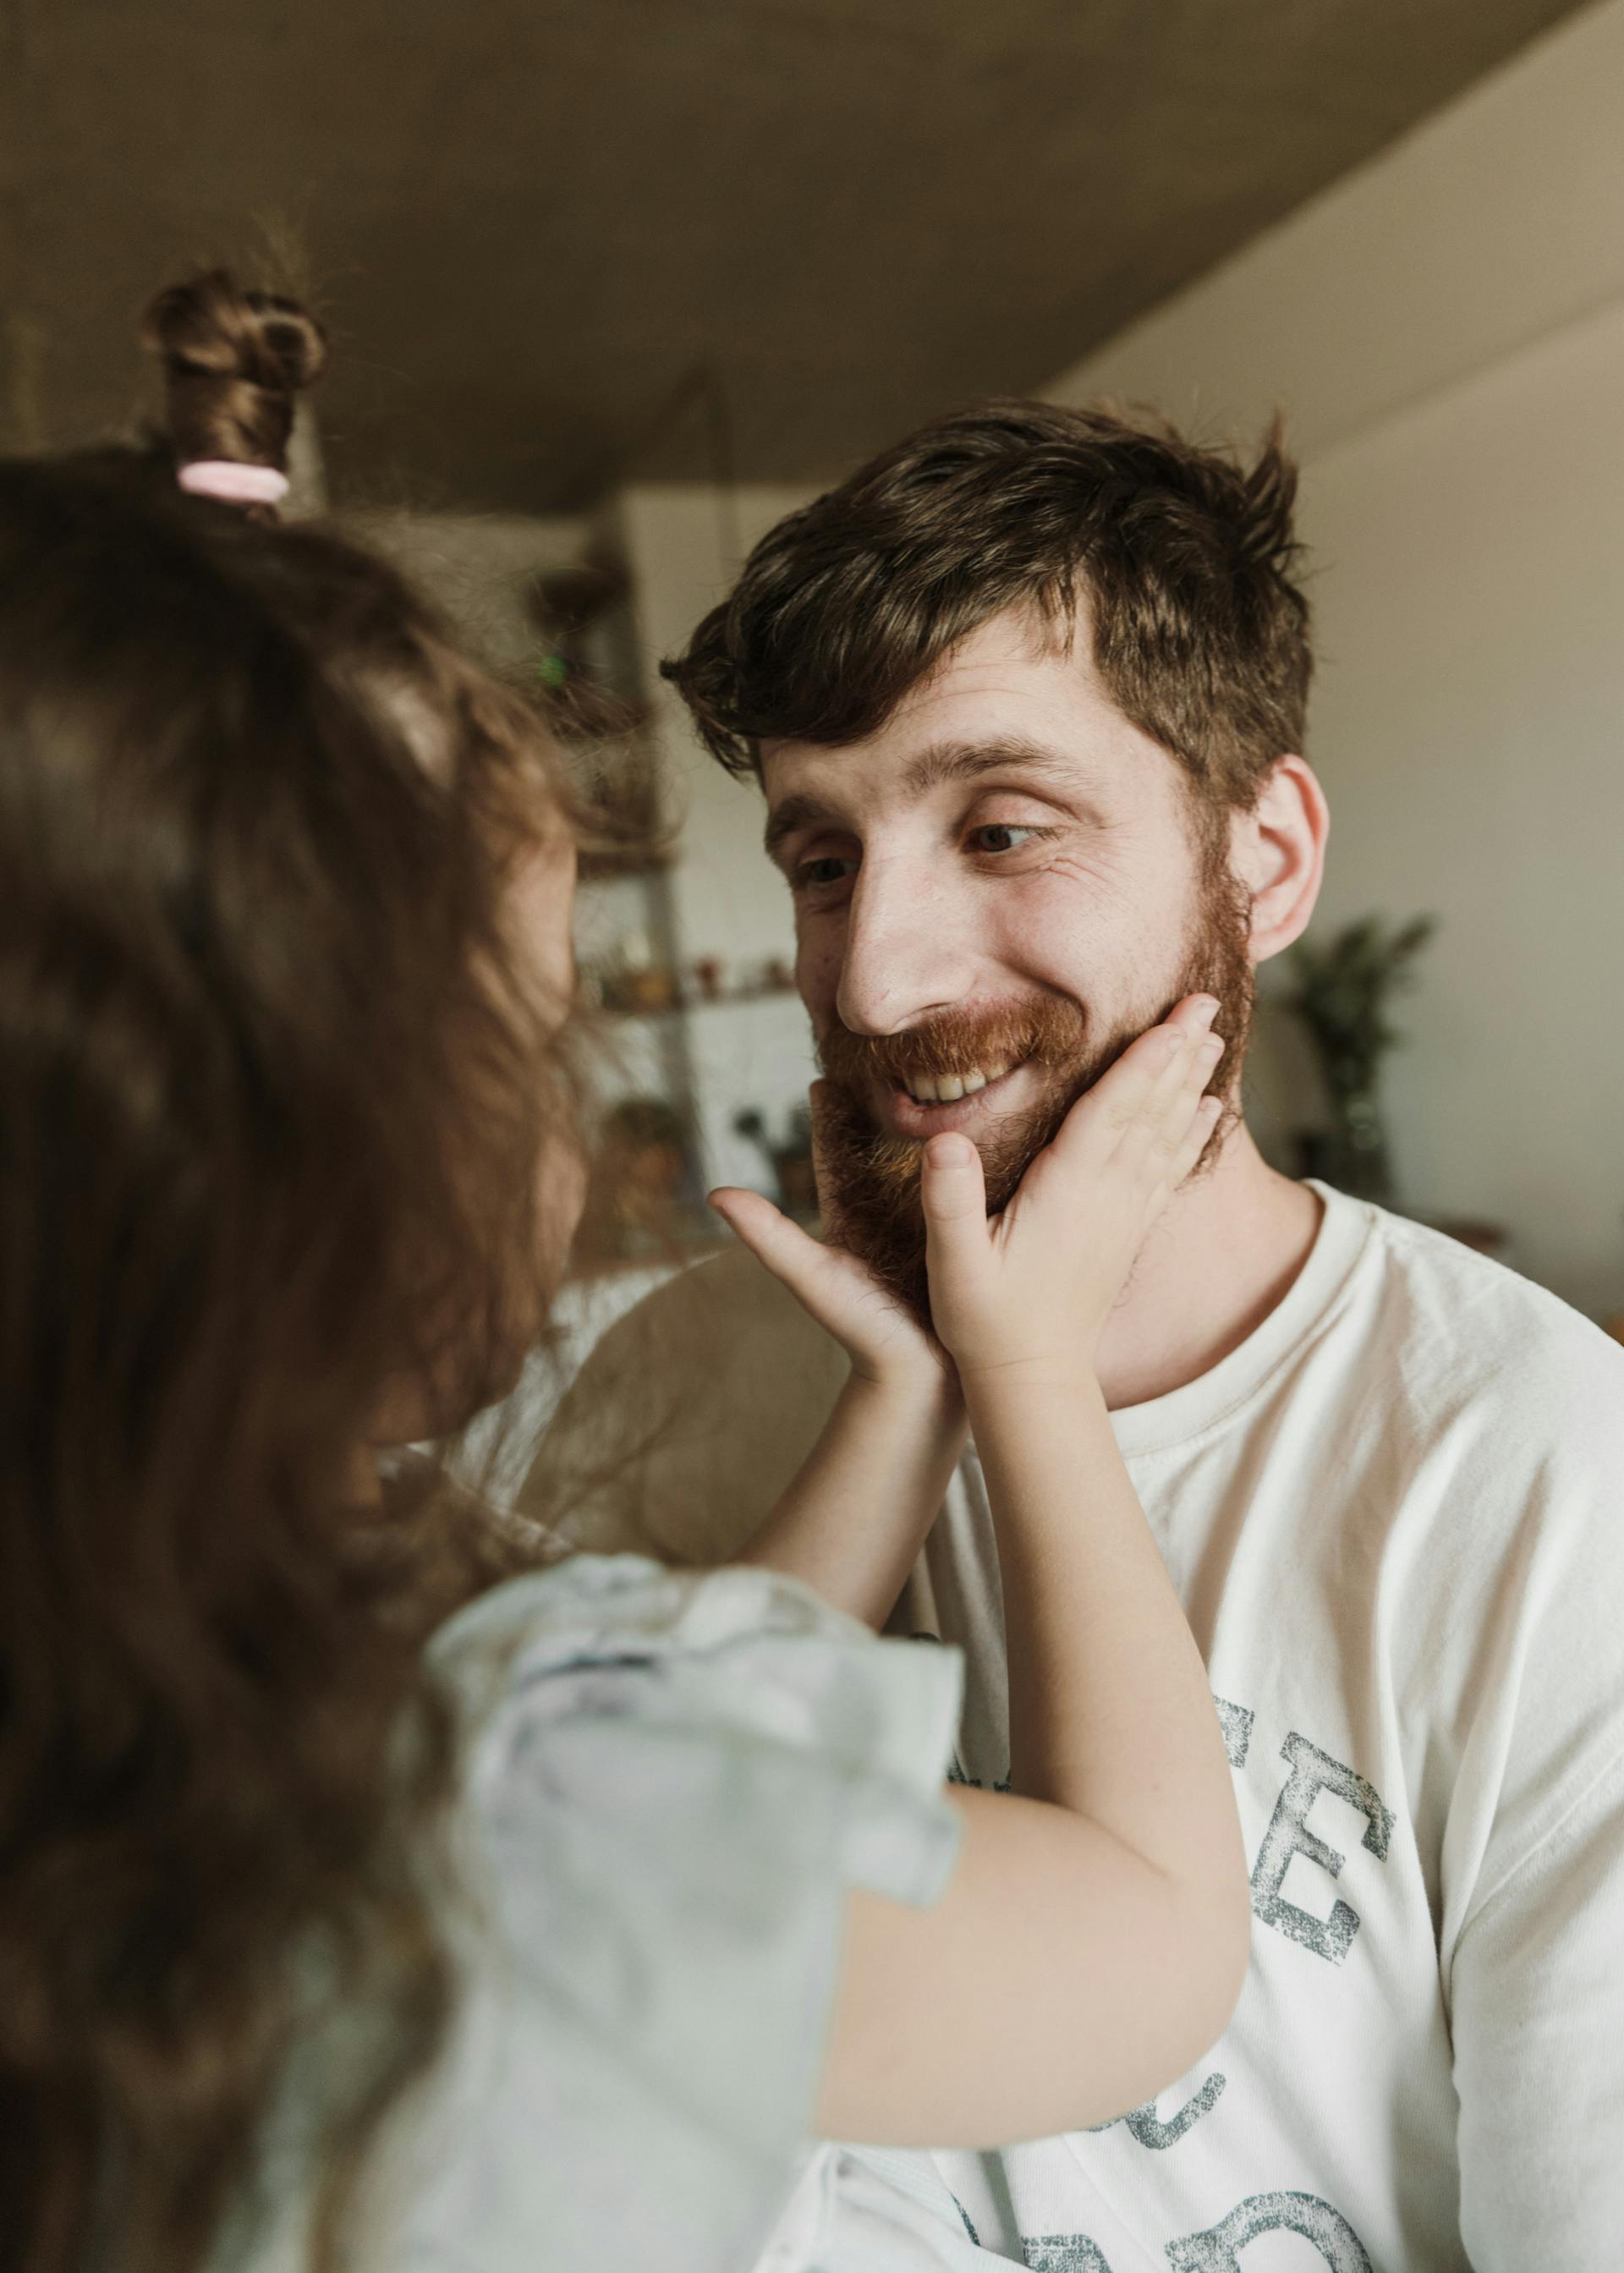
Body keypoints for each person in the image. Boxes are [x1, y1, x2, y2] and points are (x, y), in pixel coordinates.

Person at [0, 278, 1251, 2273]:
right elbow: (1159, 1930)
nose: (878, 977)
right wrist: (1022, 1365)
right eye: (546, 1028)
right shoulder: (493, 1821)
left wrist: (908, 1406)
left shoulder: (156, 1697)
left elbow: (668, 1731)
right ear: (372, 1165)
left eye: (1000, 825)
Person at [518, 400, 1624, 2270]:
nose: (877, 976)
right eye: (819, 859)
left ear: (1263, 856)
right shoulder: (655, 1398)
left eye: (1002, 824)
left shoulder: (1551, 1477)